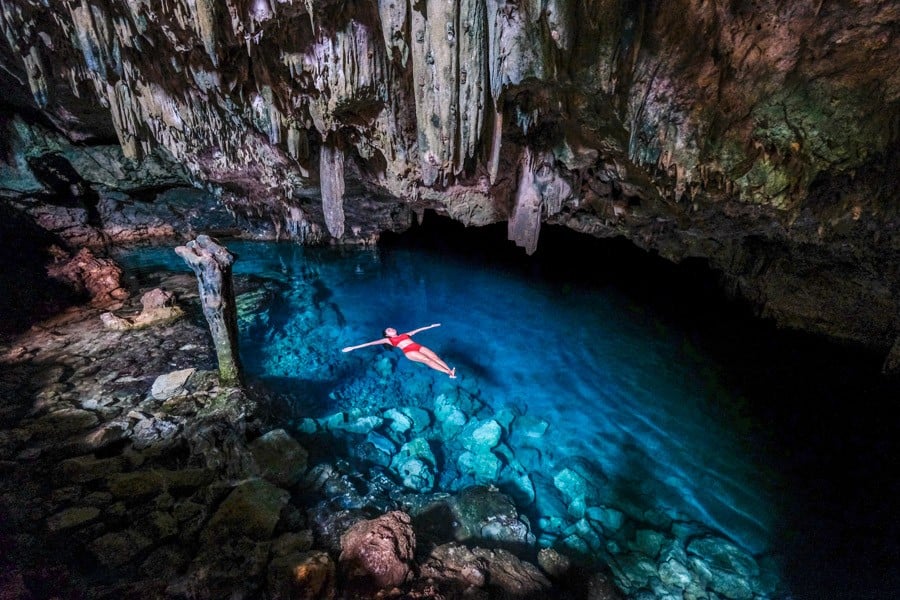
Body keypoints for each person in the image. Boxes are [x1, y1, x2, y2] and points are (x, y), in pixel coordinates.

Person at [341, 323, 456, 378]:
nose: (391, 328)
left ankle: (450, 371)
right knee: (427, 360)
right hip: (409, 351)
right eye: (388, 330)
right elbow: (370, 343)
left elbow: (417, 330)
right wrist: (353, 348)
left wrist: (430, 326)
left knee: (435, 357)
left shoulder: (405, 334)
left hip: (417, 346)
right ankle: (447, 373)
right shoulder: (388, 340)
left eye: (391, 328)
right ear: (387, 334)